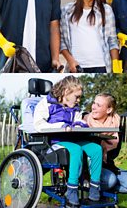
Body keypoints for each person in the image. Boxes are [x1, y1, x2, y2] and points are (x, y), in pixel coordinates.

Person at [33, 76, 102, 206]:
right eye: (77, 97)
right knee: (76, 150)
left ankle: (94, 190)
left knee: (96, 149)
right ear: (66, 92)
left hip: (74, 139)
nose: (79, 100)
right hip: (54, 141)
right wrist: (61, 126)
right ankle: (71, 190)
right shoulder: (46, 104)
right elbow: (39, 125)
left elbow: (78, 119)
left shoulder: (74, 107)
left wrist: (80, 124)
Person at [60, 0, 121, 73]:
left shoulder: (106, 10)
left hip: (102, 66)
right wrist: (71, 62)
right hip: (76, 67)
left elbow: (112, 41)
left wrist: (116, 68)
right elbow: (62, 42)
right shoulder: (66, 10)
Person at [85, 93, 127, 194]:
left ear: (109, 110)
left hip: (108, 166)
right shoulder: (85, 123)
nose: (93, 107)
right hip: (88, 168)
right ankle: (88, 185)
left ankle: (104, 188)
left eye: (98, 105)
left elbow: (114, 154)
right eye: (93, 103)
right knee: (110, 180)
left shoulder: (117, 126)